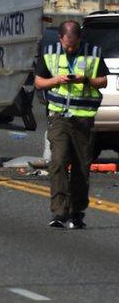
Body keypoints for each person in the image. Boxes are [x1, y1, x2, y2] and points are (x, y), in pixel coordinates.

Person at [34, 20, 108, 229]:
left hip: (83, 118)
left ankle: (77, 212)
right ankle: (59, 212)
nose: (70, 48)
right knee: (57, 161)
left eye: (73, 45)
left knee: (81, 167)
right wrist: (57, 80)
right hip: (59, 117)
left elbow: (103, 81)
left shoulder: (93, 52)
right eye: (67, 45)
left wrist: (85, 80)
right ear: (60, 39)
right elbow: (39, 82)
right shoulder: (50, 53)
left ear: (79, 39)